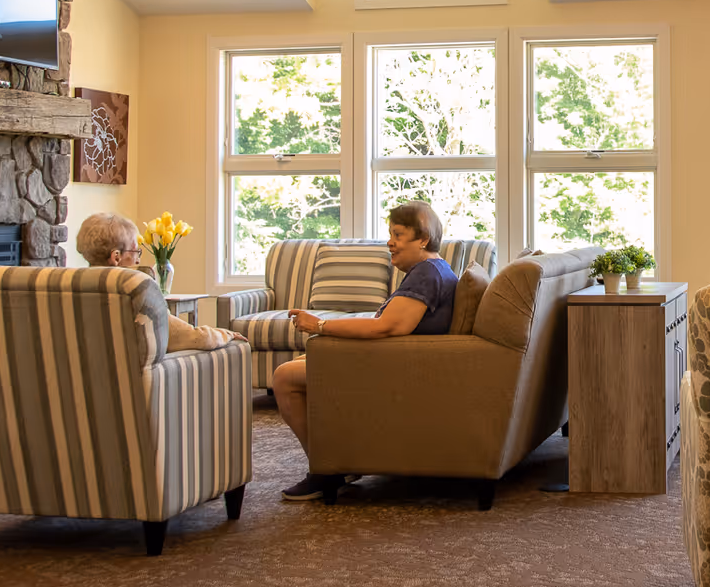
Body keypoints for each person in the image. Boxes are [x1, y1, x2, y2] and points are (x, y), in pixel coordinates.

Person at [274, 201, 457, 501]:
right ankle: (341, 459)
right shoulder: (434, 269)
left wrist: (319, 325)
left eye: (398, 235)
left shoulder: (427, 273)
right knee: (302, 364)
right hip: (390, 359)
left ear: (423, 238)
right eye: (390, 234)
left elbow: (386, 327)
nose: (390, 242)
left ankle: (326, 469)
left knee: (284, 378)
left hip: (392, 367)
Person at [75, 212, 245, 352]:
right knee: (233, 348)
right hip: (139, 384)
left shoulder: (67, 287)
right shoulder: (137, 290)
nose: (137, 260)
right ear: (116, 257)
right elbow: (194, 337)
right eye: (136, 251)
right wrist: (225, 335)